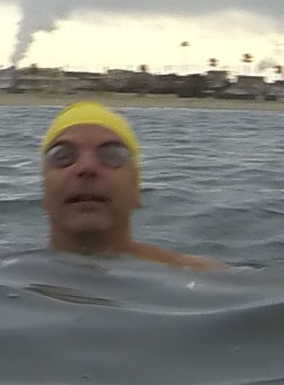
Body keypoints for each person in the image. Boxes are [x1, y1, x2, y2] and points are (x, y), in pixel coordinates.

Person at [39, 101, 226, 270]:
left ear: (136, 191)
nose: (87, 167)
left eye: (112, 155)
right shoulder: (17, 275)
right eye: (62, 156)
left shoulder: (200, 276)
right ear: (44, 193)